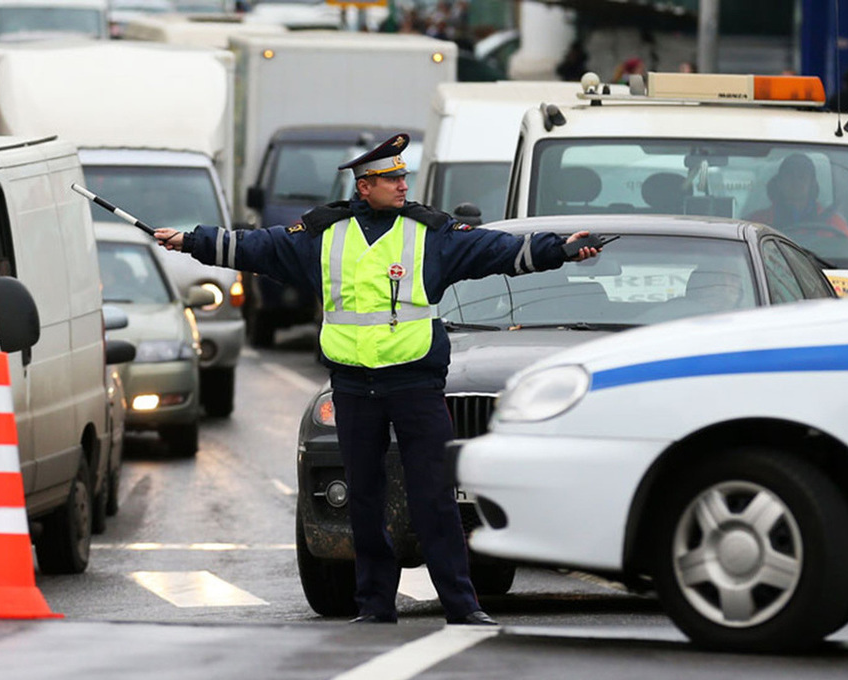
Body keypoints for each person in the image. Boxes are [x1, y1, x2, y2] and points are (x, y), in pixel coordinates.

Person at [153, 132, 598, 626]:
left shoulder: (429, 232)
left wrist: (560, 249)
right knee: (364, 498)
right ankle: (374, 605)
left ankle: (462, 603)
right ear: (364, 187)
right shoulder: (324, 235)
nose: (403, 185)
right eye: (392, 178)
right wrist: (190, 240)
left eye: (404, 176)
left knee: (434, 495)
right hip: (354, 386)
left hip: (415, 384)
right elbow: (258, 247)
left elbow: (496, 251)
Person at [746, 153, 848, 238]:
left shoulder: (834, 224)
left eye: (802, 176)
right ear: (779, 182)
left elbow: (847, 253)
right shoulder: (756, 224)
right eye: (789, 175)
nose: (795, 181)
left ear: (812, 184)